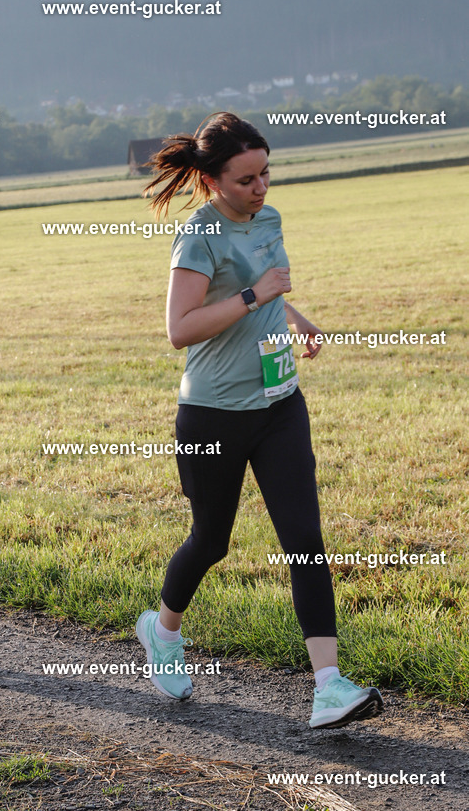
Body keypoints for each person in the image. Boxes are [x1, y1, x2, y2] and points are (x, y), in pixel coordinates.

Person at [135, 113, 383, 730]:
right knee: (212, 540)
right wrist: (255, 297)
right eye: (246, 178)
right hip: (213, 415)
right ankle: (162, 630)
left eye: (266, 172)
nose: (261, 187)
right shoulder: (198, 237)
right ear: (214, 180)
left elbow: (266, 286)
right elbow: (179, 330)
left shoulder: (269, 220)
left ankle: (328, 685)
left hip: (279, 405)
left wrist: (293, 317)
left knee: (305, 541)